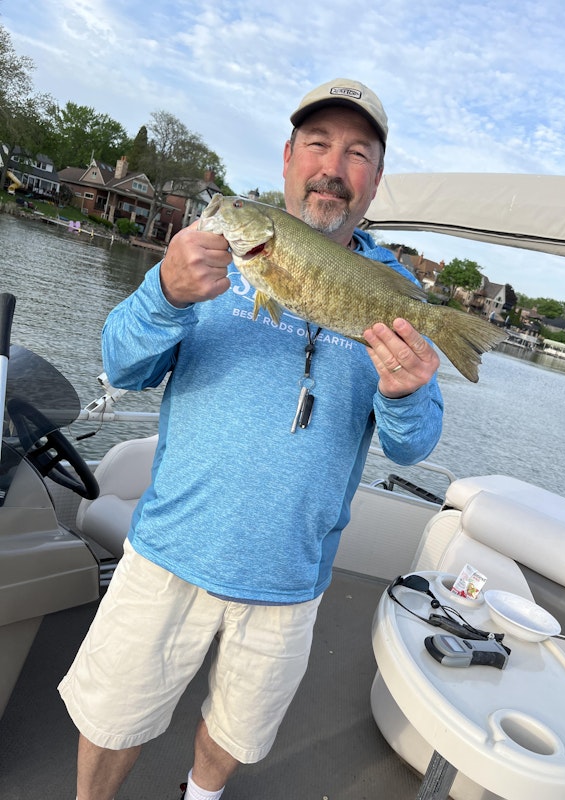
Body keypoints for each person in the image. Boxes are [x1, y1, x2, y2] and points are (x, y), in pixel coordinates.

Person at [58, 78, 444, 800]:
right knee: (112, 717)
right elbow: (122, 364)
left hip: (290, 576)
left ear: (376, 178)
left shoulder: (396, 293)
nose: (333, 167)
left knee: (236, 731)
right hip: (172, 548)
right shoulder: (209, 252)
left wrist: (405, 394)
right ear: (289, 157)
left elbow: (412, 447)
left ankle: (200, 795)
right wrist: (164, 293)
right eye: (318, 144)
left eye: (358, 153)